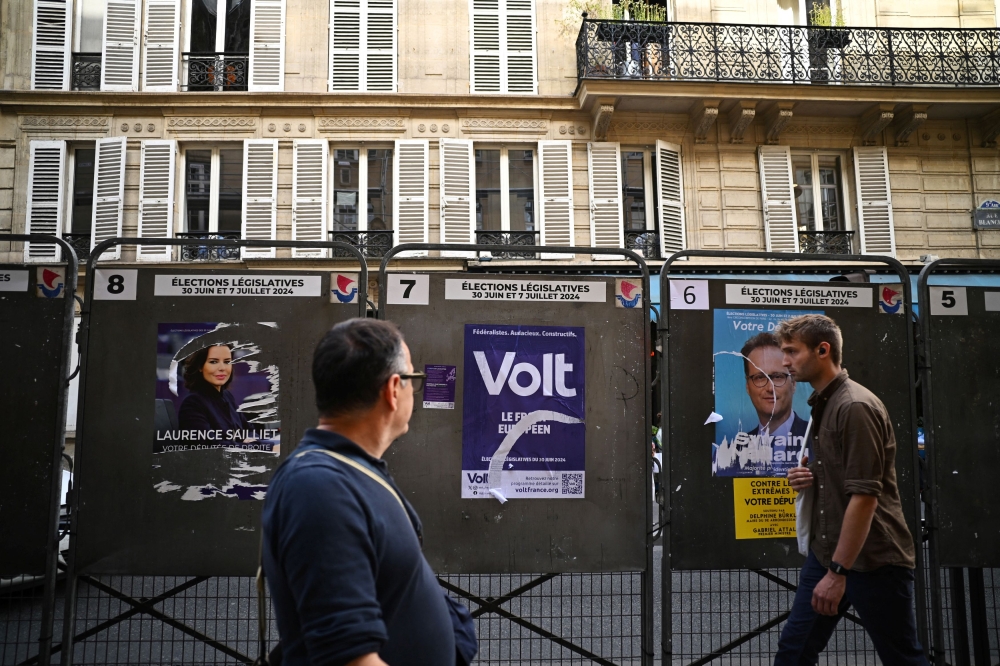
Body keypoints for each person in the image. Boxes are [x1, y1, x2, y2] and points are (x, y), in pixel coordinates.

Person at [262, 319, 477, 666]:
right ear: (394, 389)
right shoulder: (319, 487)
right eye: (413, 379)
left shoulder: (347, 473)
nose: (413, 389)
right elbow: (347, 656)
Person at [773, 314, 927, 666]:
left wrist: (837, 573)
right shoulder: (825, 402)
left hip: (873, 560)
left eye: (792, 351)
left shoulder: (854, 406)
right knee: (794, 653)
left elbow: (865, 497)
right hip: (828, 552)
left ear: (823, 350)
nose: (785, 361)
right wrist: (811, 476)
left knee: (902, 657)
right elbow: (847, 476)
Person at [741, 332, 809, 442]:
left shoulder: (821, 443)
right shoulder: (730, 452)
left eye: (778, 377)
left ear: (793, 383)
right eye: (760, 377)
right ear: (748, 386)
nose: (769, 388)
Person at [177, 344, 253, 442]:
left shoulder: (227, 396)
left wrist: (257, 444)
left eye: (227, 362)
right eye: (213, 362)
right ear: (200, 366)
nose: (222, 368)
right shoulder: (193, 403)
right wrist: (253, 446)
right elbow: (213, 446)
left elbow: (250, 430)